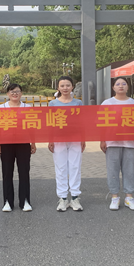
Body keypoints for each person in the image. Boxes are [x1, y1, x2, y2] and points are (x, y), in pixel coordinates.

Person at [99, 77, 134, 211]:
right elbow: (101, 123)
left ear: (128, 87)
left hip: (129, 142)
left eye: (124, 83)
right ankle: (114, 197)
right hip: (112, 142)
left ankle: (129, 197)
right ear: (113, 87)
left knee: (129, 171)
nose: (121, 86)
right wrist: (102, 140)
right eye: (117, 84)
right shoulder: (107, 103)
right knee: (112, 170)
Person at [0, 84, 37, 212]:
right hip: (6, 143)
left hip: (23, 143)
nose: (15, 94)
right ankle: (8, 201)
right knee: (7, 172)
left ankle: (25, 201)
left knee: (24, 172)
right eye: (12, 92)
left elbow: (31, 126)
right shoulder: (1, 108)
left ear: (21, 93)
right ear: (7, 94)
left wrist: (33, 143)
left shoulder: (27, 107)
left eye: (17, 91)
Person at [48, 76, 85, 211]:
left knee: (75, 167)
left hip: (75, 139)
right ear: (58, 87)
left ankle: (75, 197)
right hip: (59, 139)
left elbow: (82, 122)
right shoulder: (53, 104)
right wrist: (50, 139)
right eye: (62, 86)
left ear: (72, 87)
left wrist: (83, 139)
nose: (65, 88)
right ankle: (63, 198)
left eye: (68, 85)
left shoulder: (78, 103)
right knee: (61, 168)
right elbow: (50, 123)